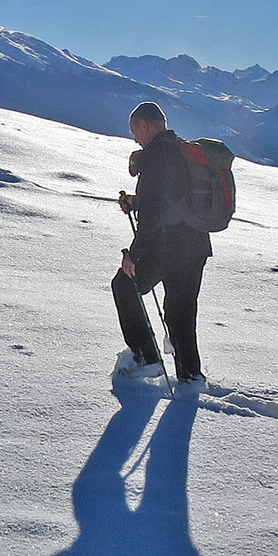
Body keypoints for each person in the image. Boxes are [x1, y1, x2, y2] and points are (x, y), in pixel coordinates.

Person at [113, 101, 211, 385]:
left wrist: (133, 254)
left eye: (135, 131)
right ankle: (190, 374)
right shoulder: (180, 149)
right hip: (196, 244)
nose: (135, 138)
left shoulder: (156, 155)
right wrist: (135, 202)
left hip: (167, 244)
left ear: (146, 124)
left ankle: (146, 357)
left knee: (124, 284)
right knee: (181, 309)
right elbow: (172, 199)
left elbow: (155, 213)